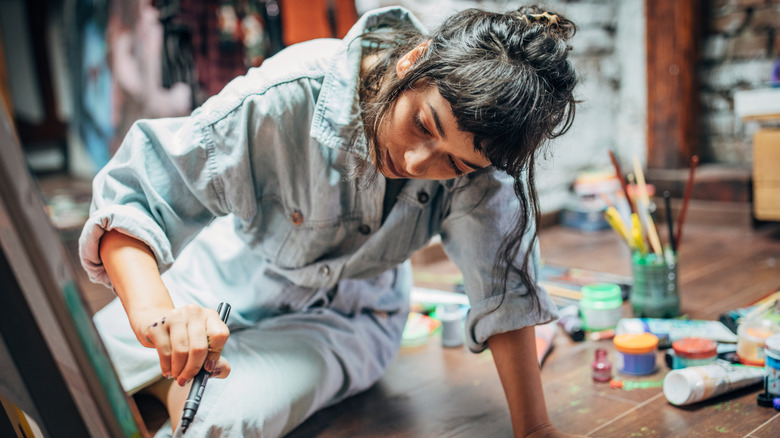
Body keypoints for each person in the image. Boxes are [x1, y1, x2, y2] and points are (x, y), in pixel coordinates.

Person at [80, 5, 581, 437]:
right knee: (71, 370)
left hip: (349, 321)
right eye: (422, 125)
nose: (415, 164)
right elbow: (137, 195)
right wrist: (159, 318)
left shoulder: (483, 168)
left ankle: (168, 390)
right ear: (413, 61)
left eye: (453, 164)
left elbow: (505, 287)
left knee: (222, 423)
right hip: (219, 283)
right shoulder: (284, 94)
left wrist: (534, 428)